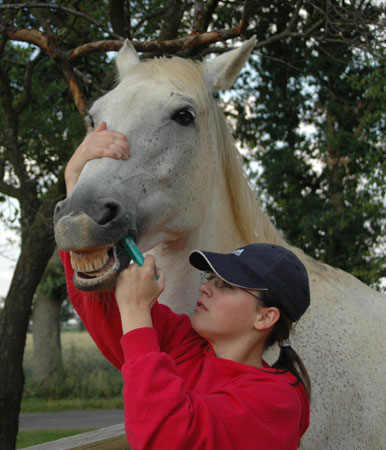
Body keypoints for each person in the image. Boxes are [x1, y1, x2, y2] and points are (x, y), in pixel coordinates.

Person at [59, 122, 311, 449]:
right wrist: (75, 185)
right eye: (210, 278)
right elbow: (104, 310)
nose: (205, 288)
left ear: (265, 317)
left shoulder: (277, 401)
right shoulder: (185, 344)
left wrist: (137, 311)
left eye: (227, 285)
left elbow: (166, 438)